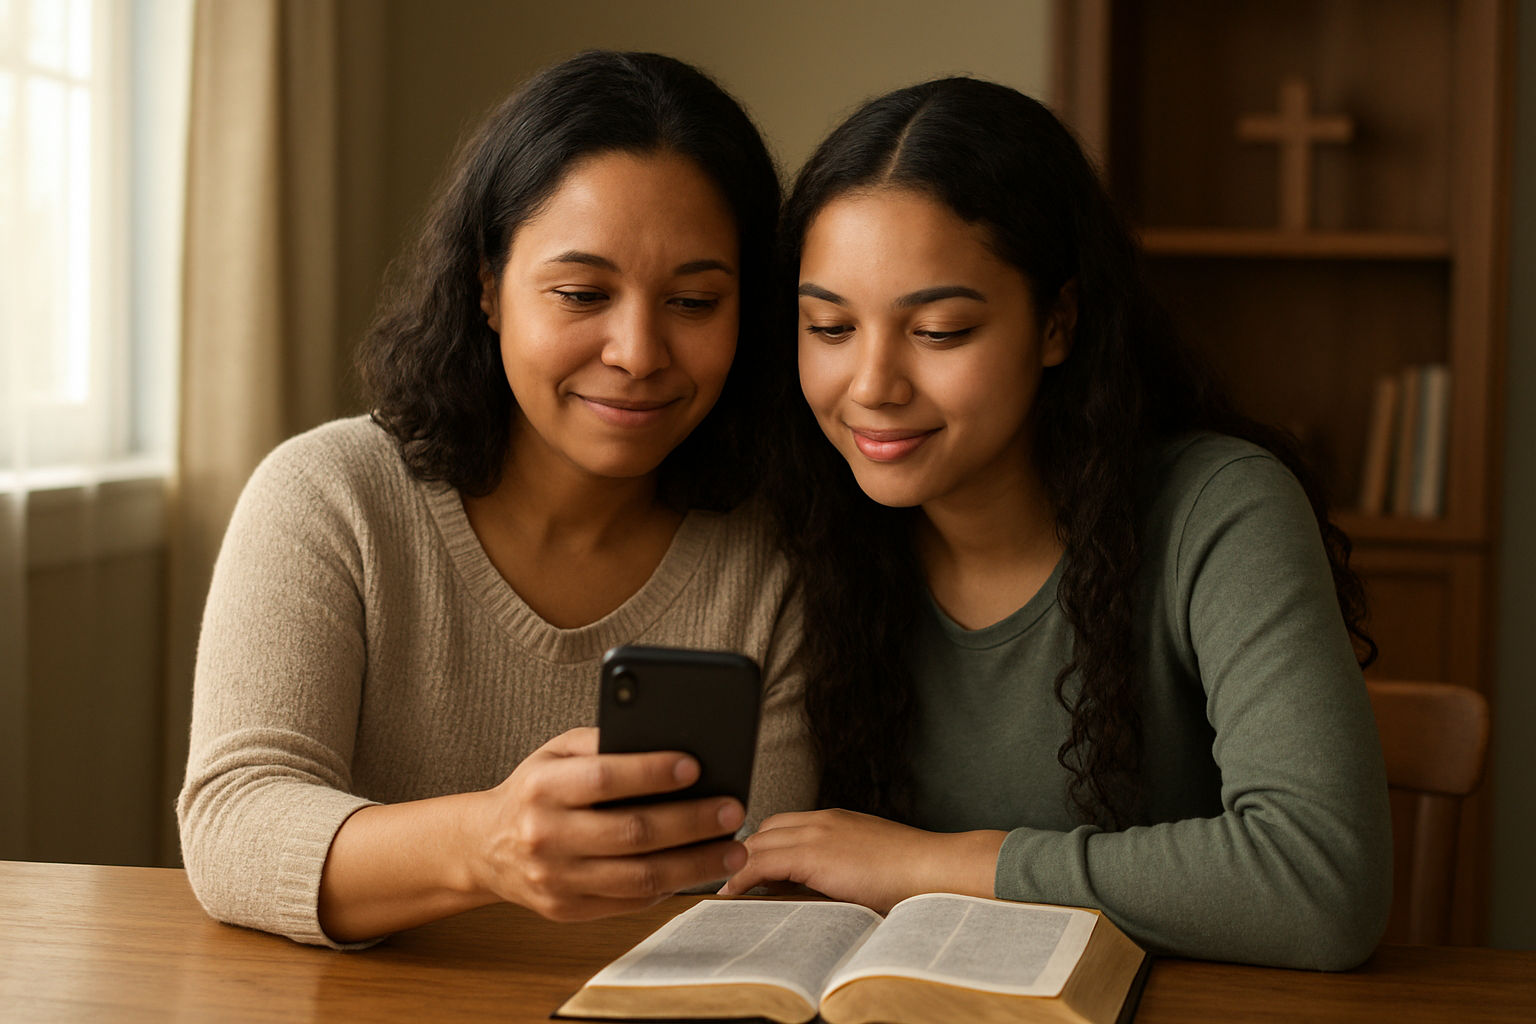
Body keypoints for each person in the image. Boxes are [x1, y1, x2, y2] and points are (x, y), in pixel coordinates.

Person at [720, 77, 1393, 971]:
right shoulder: (806, 527)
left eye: (942, 330)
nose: (872, 385)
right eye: (830, 326)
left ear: (1057, 322)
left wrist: (927, 863)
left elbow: (1320, 883)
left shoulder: (1220, 509)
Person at [177, 51, 814, 948]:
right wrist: (486, 847)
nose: (638, 350)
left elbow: (757, 889)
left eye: (694, 300)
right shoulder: (330, 496)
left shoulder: (775, 552)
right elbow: (232, 825)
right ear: (487, 287)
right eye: (582, 293)